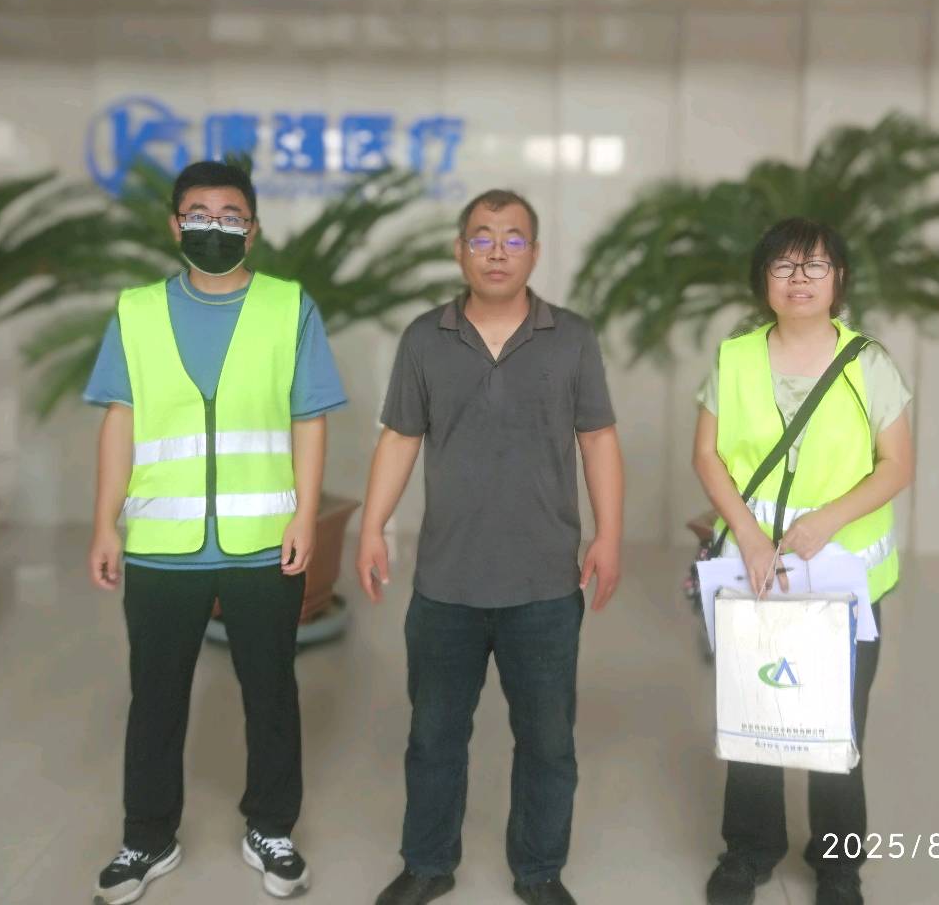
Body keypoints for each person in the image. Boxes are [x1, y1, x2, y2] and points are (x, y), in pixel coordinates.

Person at [84, 160, 347, 903]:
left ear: (252, 230)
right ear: (175, 224)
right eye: (198, 214)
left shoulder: (289, 307)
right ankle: (147, 837)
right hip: (162, 547)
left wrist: (304, 515)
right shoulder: (136, 311)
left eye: (231, 216)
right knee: (155, 695)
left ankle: (271, 827)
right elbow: (120, 421)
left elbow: (309, 418)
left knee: (271, 690)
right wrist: (104, 523)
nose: (214, 227)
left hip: (263, 541)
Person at [357, 189, 625, 905]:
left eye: (513, 239)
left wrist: (609, 535)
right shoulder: (425, 338)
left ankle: (539, 871)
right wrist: (372, 525)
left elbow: (598, 439)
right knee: (433, 737)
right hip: (446, 584)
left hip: (545, 585)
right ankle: (427, 863)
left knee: (548, 743)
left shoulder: (571, 338)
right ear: (459, 251)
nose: (497, 251)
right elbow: (400, 437)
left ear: (534, 254)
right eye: (482, 238)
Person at [693, 217, 914, 905]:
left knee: (836, 720)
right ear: (763, 280)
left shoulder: (870, 363)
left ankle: (838, 863)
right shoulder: (734, 359)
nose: (799, 279)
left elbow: (896, 464)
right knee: (754, 709)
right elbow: (707, 455)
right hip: (752, 569)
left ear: (838, 278)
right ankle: (748, 850)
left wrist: (828, 520)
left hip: (842, 575)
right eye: (783, 267)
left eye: (814, 266)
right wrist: (749, 534)